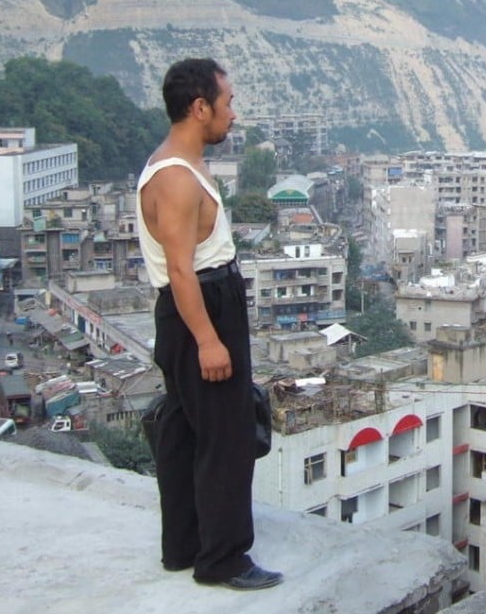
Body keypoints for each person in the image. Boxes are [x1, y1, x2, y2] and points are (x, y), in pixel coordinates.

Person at [137, 58, 282, 591]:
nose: (233, 115)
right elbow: (180, 268)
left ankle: (184, 545)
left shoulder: (178, 166)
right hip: (201, 304)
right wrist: (208, 341)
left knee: (183, 426)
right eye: (227, 103)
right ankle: (223, 558)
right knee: (224, 435)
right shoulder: (175, 177)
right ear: (200, 108)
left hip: (201, 300)